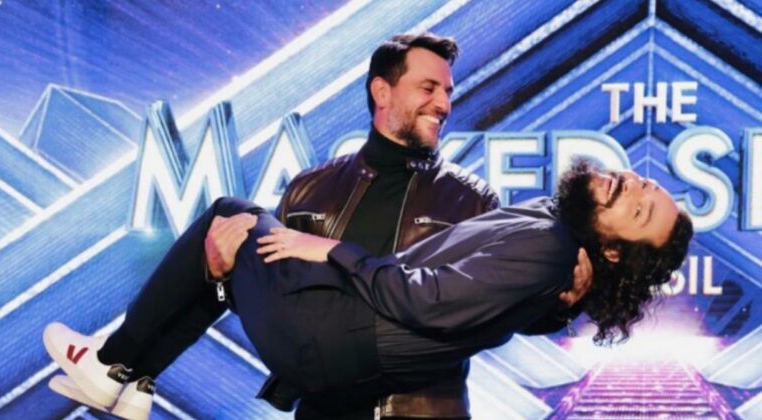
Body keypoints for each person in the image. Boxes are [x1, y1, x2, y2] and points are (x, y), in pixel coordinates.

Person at [43, 158, 693, 420]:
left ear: (615, 251)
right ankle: (131, 380)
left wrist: (330, 250)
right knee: (227, 263)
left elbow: (430, 299)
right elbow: (493, 302)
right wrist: (559, 307)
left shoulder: (552, 249)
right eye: (647, 184)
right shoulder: (556, 237)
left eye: (639, 210)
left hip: (332, 338)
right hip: (342, 350)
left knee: (228, 217)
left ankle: (112, 364)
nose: (632, 187)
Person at [208, 32, 592, 419]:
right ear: (382, 91)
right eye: (428, 88)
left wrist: (560, 308)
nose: (443, 104)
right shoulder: (309, 190)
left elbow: (495, 314)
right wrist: (222, 278)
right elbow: (274, 307)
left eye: (447, 91)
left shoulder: (473, 201)